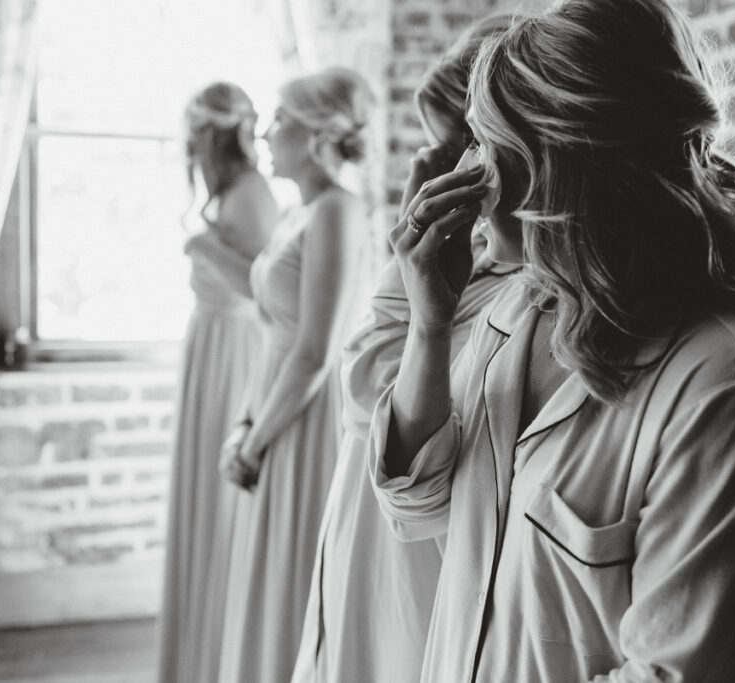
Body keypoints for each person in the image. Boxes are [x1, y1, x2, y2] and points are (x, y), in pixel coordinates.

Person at [370, 0, 735, 680]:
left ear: (560, 160)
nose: (470, 170)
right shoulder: (519, 306)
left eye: (487, 143)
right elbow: (414, 507)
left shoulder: (726, 380)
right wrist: (429, 324)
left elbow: (675, 670)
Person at [290, 16, 515, 683]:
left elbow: (369, 388)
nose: (442, 164)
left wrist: (410, 273)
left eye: (457, 143)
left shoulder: (508, 279)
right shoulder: (461, 261)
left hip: (419, 539)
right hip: (372, 511)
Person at [217, 67, 373, 683]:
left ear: (314, 135)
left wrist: (254, 443)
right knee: (264, 569)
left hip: (305, 422)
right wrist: (245, 419)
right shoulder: (296, 212)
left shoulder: (338, 211)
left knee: (291, 574)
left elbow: (315, 350)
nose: (266, 135)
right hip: (271, 407)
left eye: (279, 121)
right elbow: (274, 338)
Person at [157, 81, 277, 683]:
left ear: (210, 133)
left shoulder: (252, 193)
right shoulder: (227, 191)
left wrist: (203, 243)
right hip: (209, 345)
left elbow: (267, 290)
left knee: (223, 504)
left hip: (235, 352)